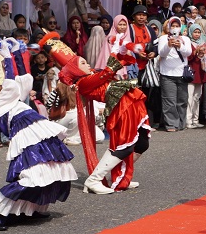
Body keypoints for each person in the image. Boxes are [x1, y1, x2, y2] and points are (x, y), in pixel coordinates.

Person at [39, 31, 152, 193]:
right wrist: (115, 50)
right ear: (74, 70)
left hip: (133, 104)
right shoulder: (84, 83)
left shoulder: (94, 75)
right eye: (83, 63)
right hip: (122, 109)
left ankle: (122, 176)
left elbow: (115, 67)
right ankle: (94, 180)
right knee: (125, 146)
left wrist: (122, 52)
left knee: (142, 143)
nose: (87, 65)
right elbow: (109, 71)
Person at [0, 71, 78, 231]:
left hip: (42, 134)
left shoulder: (13, 98)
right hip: (28, 138)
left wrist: (5, 62)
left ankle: (31, 209)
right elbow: (13, 84)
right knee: (33, 177)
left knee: (54, 173)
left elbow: (23, 80)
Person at [157, 16, 192, 132]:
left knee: (182, 100)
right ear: (169, 27)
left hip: (182, 73)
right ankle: (171, 124)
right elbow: (161, 53)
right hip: (167, 74)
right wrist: (169, 45)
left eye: (177, 26)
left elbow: (189, 52)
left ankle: (181, 123)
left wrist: (180, 46)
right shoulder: (163, 38)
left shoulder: (185, 39)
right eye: (173, 26)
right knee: (169, 100)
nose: (175, 28)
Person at [187, 24, 206, 129]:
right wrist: (195, 51)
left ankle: (196, 119)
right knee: (190, 97)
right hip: (191, 73)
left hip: (200, 73)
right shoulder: (188, 43)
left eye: (199, 32)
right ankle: (188, 120)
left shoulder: (203, 43)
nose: (197, 34)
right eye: (195, 32)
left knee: (197, 97)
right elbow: (188, 57)